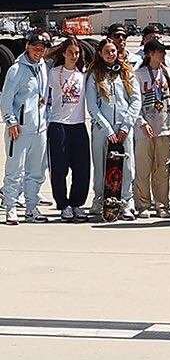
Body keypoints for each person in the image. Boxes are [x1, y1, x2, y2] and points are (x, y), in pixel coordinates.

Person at [86, 38, 142, 222]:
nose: (111, 54)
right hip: (103, 128)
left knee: (127, 166)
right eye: (107, 51)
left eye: (114, 51)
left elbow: (135, 100)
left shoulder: (127, 73)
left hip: (124, 127)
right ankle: (100, 198)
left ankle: (126, 201)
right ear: (100, 54)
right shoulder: (94, 75)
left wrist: (126, 126)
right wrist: (107, 129)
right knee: (101, 164)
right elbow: (92, 105)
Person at [2, 30, 53, 225]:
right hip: (20, 129)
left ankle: (31, 208)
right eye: (35, 49)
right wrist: (11, 122)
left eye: (41, 49)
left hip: (39, 128)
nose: (38, 52)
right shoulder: (17, 69)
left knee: (36, 172)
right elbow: (6, 99)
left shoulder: (42, 67)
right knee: (15, 171)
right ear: (27, 47)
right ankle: (11, 207)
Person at [133, 37, 170, 218]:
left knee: (162, 169)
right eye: (160, 51)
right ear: (150, 54)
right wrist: (141, 122)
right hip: (144, 130)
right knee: (143, 168)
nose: (163, 54)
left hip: (164, 127)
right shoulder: (138, 75)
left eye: (164, 51)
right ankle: (142, 204)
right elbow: (133, 103)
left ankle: (162, 204)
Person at [45, 36, 91, 222]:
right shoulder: (54, 73)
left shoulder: (84, 75)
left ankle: (77, 203)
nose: (74, 55)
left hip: (78, 125)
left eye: (77, 52)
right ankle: (63, 205)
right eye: (70, 52)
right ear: (63, 53)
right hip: (58, 125)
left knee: (82, 169)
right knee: (59, 169)